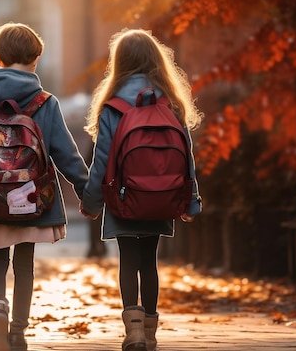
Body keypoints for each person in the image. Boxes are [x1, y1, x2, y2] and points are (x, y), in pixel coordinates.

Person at [0, 22, 89, 351]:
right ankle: (19, 331)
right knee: (24, 265)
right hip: (33, 197)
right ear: (36, 61)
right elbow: (66, 153)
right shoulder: (44, 102)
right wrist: (87, 192)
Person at [80, 28, 203, 351]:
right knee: (149, 262)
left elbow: (102, 160)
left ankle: (132, 331)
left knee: (128, 261)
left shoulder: (113, 105)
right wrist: (191, 202)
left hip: (124, 197)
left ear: (119, 62)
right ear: (155, 60)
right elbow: (186, 154)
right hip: (163, 195)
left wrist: (92, 202)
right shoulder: (171, 102)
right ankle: (150, 332)